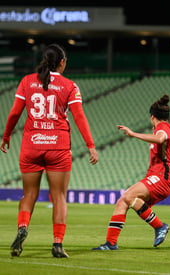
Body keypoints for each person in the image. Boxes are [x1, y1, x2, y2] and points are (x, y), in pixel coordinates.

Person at [1, 44, 98, 258]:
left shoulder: (27, 81)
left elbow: (15, 112)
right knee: (59, 196)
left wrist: (6, 135)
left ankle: (22, 227)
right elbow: (79, 117)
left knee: (29, 194)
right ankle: (57, 245)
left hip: (31, 144)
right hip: (58, 147)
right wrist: (90, 146)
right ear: (62, 62)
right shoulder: (70, 86)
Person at [92, 94, 170, 250]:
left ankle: (160, 226)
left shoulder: (162, 128)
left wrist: (133, 134)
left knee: (129, 195)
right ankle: (111, 243)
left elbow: (160, 139)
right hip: (161, 177)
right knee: (124, 201)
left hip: (162, 177)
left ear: (153, 117)